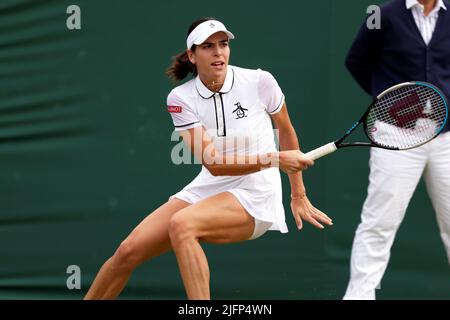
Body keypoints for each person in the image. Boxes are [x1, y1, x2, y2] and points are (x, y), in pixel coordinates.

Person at [84, 17, 332, 300]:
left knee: (182, 224)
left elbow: (286, 132)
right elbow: (213, 164)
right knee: (127, 252)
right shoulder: (180, 98)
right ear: (192, 55)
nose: (219, 52)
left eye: (223, 44)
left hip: (256, 193)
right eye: (208, 46)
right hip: (210, 184)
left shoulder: (261, 81)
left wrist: (298, 193)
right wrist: (274, 158)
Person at [344, 0, 450, 299]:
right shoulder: (381, 14)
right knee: (380, 221)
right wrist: (392, 101)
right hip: (395, 134)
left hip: (445, 136)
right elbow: (356, 60)